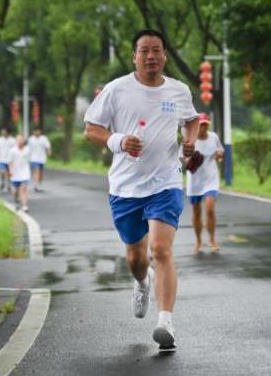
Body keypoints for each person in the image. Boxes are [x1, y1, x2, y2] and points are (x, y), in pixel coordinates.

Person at [84, 29, 199, 351]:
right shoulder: (116, 89)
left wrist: (189, 140)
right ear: (134, 56)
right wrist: (118, 141)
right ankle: (141, 280)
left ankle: (166, 322)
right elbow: (90, 129)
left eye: (157, 50)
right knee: (137, 258)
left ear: (165, 55)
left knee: (161, 250)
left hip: (166, 182)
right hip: (125, 187)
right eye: (144, 50)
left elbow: (191, 120)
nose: (151, 56)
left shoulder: (178, 90)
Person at [183, 113, 224, 253]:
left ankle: (212, 239)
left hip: (211, 179)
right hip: (195, 181)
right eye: (201, 125)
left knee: (210, 209)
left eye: (205, 125)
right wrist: (190, 161)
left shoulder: (213, 137)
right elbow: (183, 157)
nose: (203, 127)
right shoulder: (190, 139)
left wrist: (219, 154)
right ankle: (198, 241)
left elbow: (220, 150)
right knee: (196, 212)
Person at [8, 135, 31, 212]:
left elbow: (28, 160)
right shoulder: (12, 151)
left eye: (22, 140)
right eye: (19, 140)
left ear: (24, 141)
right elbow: (10, 162)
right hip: (15, 173)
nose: (20, 141)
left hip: (25, 173)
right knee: (16, 191)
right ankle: (16, 201)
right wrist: (11, 171)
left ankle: (24, 206)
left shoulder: (27, 150)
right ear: (16, 141)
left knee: (23, 188)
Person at [27, 127, 52, 191]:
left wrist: (49, 152)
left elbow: (47, 147)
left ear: (40, 131)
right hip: (33, 158)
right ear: (33, 132)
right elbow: (28, 149)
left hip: (42, 158)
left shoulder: (44, 138)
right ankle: (36, 185)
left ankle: (40, 183)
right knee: (36, 171)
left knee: (41, 172)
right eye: (35, 131)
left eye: (38, 131)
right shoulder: (31, 139)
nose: (37, 132)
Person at [0, 128, 16, 193]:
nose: (2, 132)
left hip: (10, 160)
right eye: (2, 131)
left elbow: (15, 150)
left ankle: (8, 185)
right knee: (2, 172)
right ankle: (2, 182)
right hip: (2, 160)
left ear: (8, 132)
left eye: (4, 131)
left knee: (9, 174)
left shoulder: (13, 140)